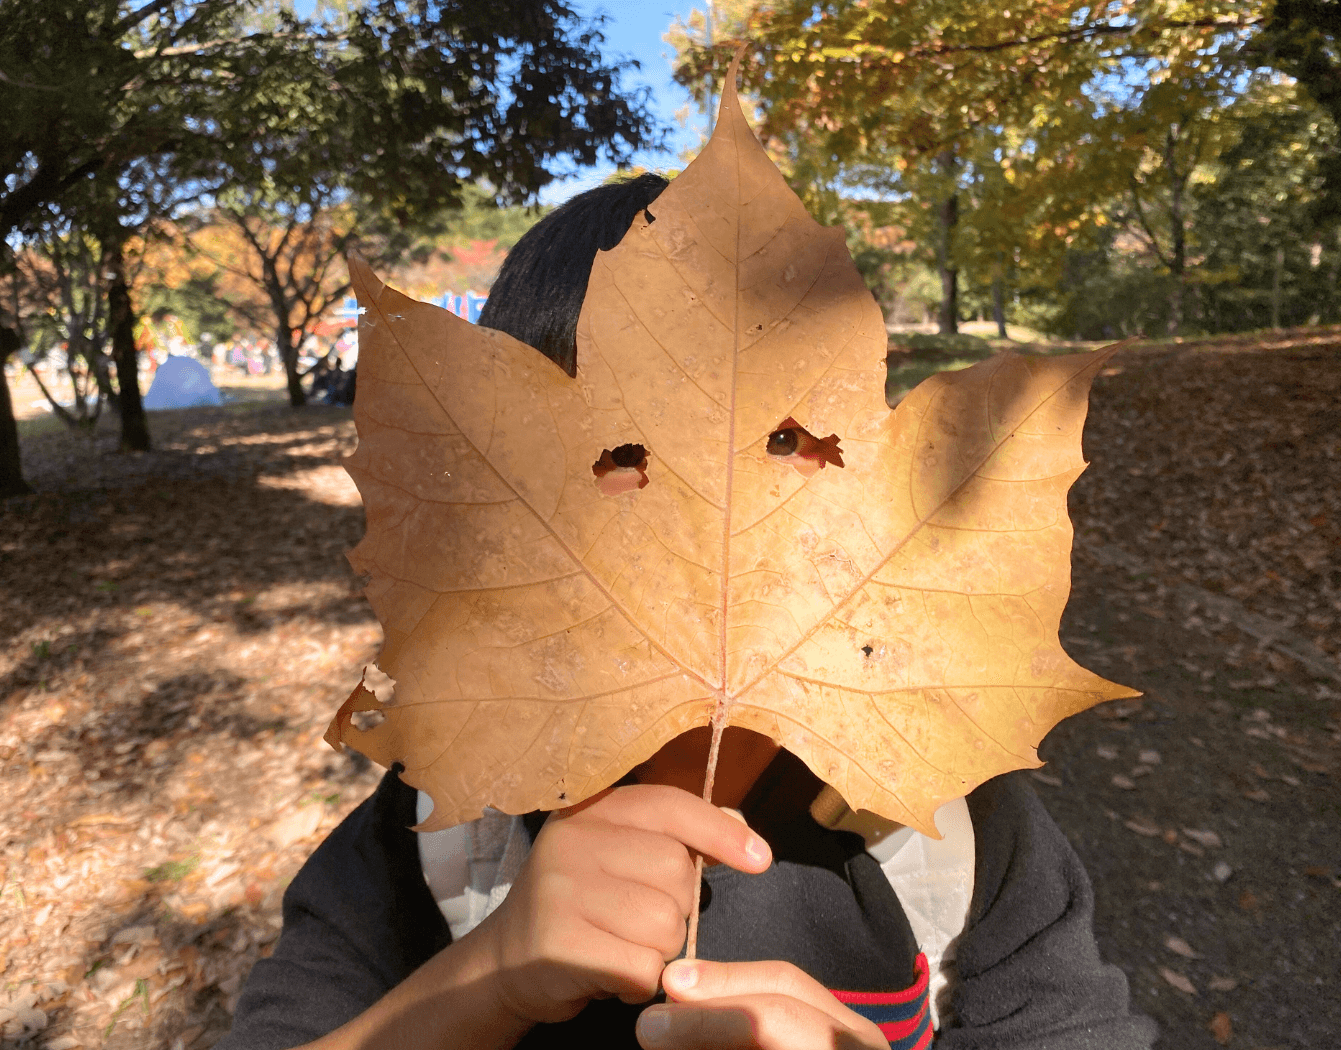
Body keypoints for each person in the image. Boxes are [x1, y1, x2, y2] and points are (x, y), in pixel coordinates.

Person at [216, 176, 1157, 1050]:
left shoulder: (947, 826)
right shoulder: (438, 833)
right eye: (620, 457)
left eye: (781, 441)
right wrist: (481, 980)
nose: (705, 513)